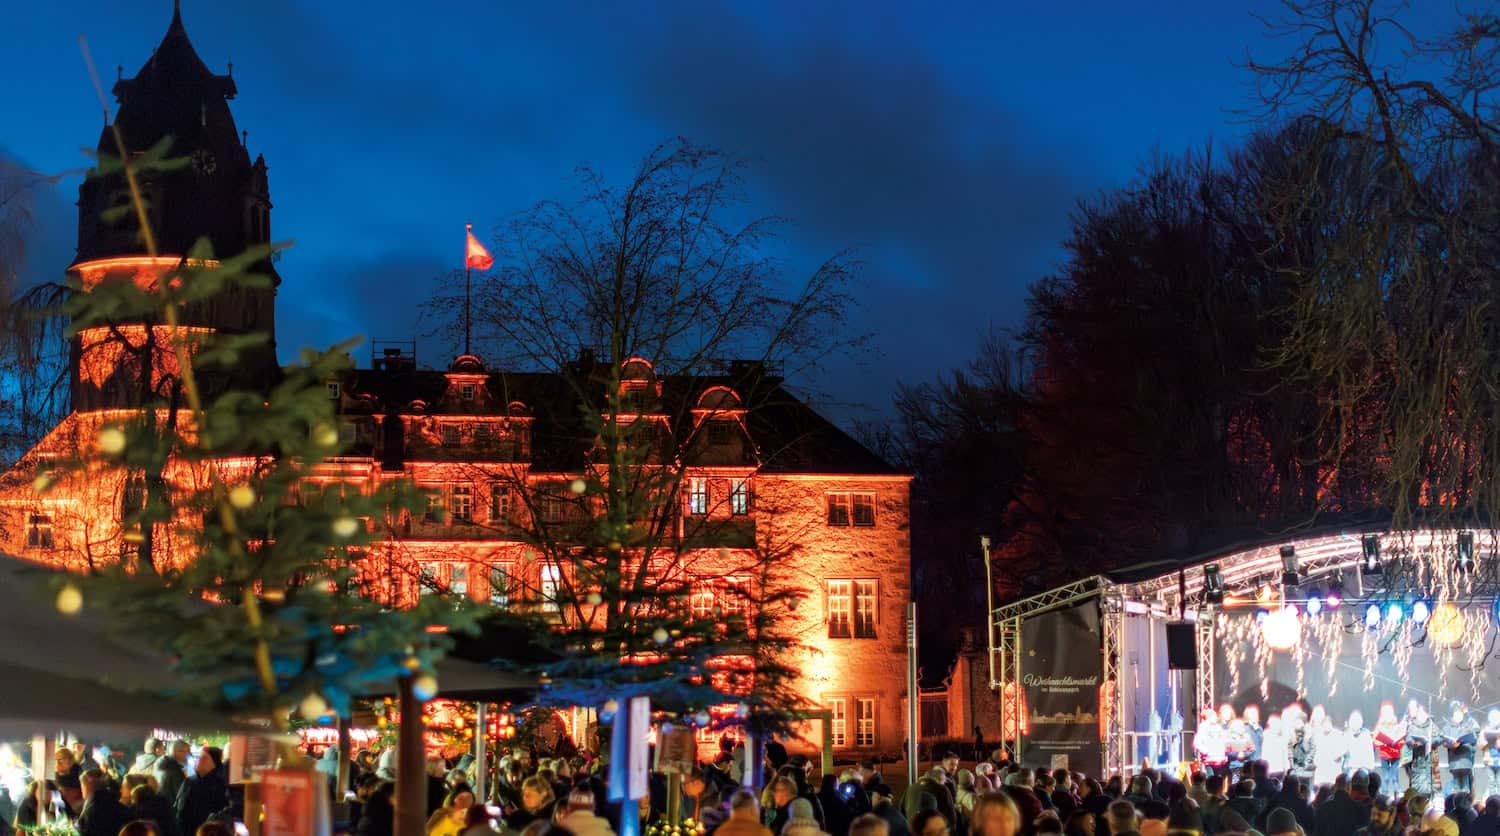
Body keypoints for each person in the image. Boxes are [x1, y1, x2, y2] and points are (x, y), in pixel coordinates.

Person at [173, 746, 228, 836]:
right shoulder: (189, 781)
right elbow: (178, 805)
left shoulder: (219, 785)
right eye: (199, 757)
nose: (199, 760)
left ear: (214, 763)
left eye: (205, 758)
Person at [1442, 702, 1481, 796]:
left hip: (1465, 760)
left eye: (1459, 714)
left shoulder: (1468, 724)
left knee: (1465, 788)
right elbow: (1442, 740)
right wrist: (1450, 745)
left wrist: (1468, 714)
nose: (1458, 716)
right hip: (1454, 761)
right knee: (1456, 789)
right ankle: (1457, 807)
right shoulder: (1448, 726)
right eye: (1456, 714)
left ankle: (1465, 806)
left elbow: (1476, 733)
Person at [77, 769, 132, 836]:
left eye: (82, 786)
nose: (81, 791)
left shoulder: (89, 811)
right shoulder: (113, 800)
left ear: (87, 786)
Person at [1373, 703, 1405, 795]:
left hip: (1395, 754)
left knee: (1395, 777)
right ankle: (1384, 794)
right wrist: (1383, 743)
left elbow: (1401, 740)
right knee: (1385, 777)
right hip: (1384, 755)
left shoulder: (1396, 726)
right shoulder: (1379, 726)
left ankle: (1396, 795)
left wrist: (1396, 742)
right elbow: (1375, 740)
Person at [156, 742, 190, 808]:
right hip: (170, 810)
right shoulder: (174, 770)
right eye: (187, 752)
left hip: (161, 807)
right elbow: (182, 794)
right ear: (176, 752)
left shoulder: (162, 763)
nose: (189, 754)